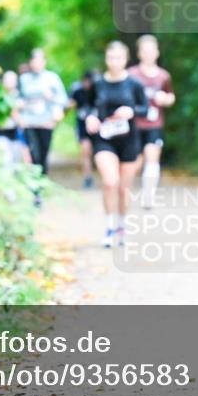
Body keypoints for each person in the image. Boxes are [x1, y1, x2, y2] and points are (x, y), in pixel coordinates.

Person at [85, 41, 149, 248]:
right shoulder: (98, 83)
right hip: (104, 139)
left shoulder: (134, 84)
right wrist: (90, 118)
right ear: (106, 59)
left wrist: (132, 112)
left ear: (126, 59)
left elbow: (145, 108)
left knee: (123, 189)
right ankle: (110, 226)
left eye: (118, 58)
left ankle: (122, 225)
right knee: (110, 182)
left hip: (129, 141)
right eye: (110, 57)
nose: (114, 62)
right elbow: (88, 107)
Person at [129, 35, 175, 209]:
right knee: (134, 161)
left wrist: (166, 99)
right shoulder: (132, 75)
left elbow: (171, 97)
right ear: (139, 53)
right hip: (134, 124)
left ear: (157, 52)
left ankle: (149, 196)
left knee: (152, 156)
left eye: (151, 50)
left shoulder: (163, 76)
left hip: (154, 124)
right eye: (144, 51)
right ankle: (125, 189)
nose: (148, 54)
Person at [18, 48, 67, 179]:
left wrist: (52, 99)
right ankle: (36, 187)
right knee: (34, 153)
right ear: (30, 62)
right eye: (34, 60)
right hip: (29, 121)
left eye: (39, 60)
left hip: (46, 122)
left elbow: (63, 99)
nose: (36, 63)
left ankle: (43, 180)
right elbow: (17, 99)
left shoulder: (52, 78)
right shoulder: (24, 79)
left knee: (44, 152)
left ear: (44, 62)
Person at [68, 70, 97, 189]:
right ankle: (88, 177)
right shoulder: (78, 92)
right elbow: (71, 104)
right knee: (85, 151)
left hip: (98, 126)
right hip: (82, 126)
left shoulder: (98, 91)